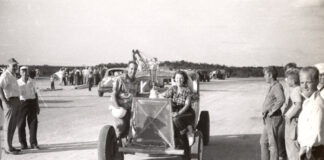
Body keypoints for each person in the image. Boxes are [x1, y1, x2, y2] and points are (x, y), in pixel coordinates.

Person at [159, 70, 195, 145]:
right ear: (175, 79)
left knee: (175, 119)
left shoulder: (186, 90)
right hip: (175, 110)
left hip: (186, 112)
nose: (179, 80)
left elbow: (187, 105)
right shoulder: (173, 89)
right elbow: (163, 95)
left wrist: (178, 113)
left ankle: (189, 132)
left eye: (181, 78)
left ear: (184, 79)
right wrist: (156, 93)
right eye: (177, 78)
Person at [298, 66, 324, 160]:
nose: (304, 86)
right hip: (307, 150)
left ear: (317, 81)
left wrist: (306, 149)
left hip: (313, 153)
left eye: (308, 82)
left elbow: (317, 132)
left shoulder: (317, 104)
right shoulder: (308, 102)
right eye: (302, 82)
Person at [260, 66, 285, 160]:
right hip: (268, 119)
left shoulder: (277, 86)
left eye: (265, 75)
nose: (264, 77)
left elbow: (281, 99)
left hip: (273, 118)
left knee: (272, 144)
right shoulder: (272, 86)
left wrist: (271, 111)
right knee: (263, 142)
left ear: (270, 75)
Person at [111, 61, 140, 139]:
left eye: (135, 69)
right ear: (127, 68)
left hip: (132, 109)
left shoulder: (137, 82)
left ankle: (128, 142)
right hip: (121, 108)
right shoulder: (120, 79)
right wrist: (117, 107)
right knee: (121, 127)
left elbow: (138, 95)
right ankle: (116, 144)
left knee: (136, 127)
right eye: (131, 69)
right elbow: (113, 94)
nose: (133, 71)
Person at [0, 58, 22, 154]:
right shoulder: (5, 75)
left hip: (16, 100)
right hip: (9, 101)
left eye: (16, 65)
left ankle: (10, 146)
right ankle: (7, 148)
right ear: (8, 66)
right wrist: (4, 100)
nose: (15, 67)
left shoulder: (13, 75)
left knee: (13, 125)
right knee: (8, 125)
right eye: (13, 65)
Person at [17, 66, 40, 150]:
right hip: (22, 103)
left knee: (33, 123)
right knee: (21, 124)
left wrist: (37, 105)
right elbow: (16, 96)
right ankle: (23, 144)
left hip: (32, 103)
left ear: (28, 72)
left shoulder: (32, 81)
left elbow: (36, 94)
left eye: (26, 71)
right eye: (22, 71)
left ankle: (33, 143)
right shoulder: (17, 82)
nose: (24, 73)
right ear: (20, 72)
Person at [283, 68, 303, 160]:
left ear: (293, 80)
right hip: (295, 120)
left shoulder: (296, 90)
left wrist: (289, 116)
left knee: (292, 146)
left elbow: (298, 105)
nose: (285, 80)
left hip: (293, 121)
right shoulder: (299, 89)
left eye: (287, 78)